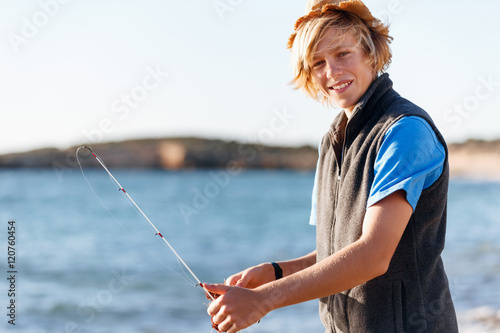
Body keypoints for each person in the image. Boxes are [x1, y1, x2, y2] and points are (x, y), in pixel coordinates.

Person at [203, 1, 459, 332]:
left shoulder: (405, 131)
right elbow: (338, 251)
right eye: (318, 63)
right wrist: (277, 272)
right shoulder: (332, 140)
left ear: (369, 51)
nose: (331, 72)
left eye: (342, 54)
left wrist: (264, 299)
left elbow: (373, 254)